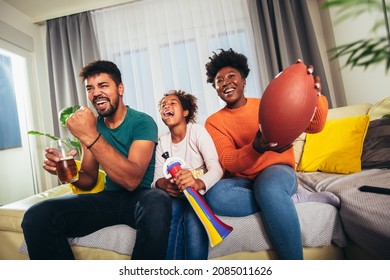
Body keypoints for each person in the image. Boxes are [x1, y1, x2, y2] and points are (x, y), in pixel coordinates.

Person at [21, 60, 172, 260]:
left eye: (103, 86)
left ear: (120, 89)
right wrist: (66, 172)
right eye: (90, 88)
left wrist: (90, 135)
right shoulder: (93, 127)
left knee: (158, 200)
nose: (96, 93)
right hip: (109, 199)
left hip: (140, 197)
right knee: (36, 215)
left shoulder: (143, 122)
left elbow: (132, 180)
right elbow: (89, 179)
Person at [203, 48, 339, 260]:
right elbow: (229, 161)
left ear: (244, 80)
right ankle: (287, 200)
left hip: (276, 171)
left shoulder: (266, 102)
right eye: (219, 81)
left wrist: (316, 95)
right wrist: (255, 147)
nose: (225, 83)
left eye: (231, 76)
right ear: (216, 89)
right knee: (214, 195)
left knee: (268, 187)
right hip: (244, 180)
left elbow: (314, 126)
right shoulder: (214, 121)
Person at [152, 89, 223, 260]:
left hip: (199, 194)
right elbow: (155, 180)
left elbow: (216, 168)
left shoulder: (197, 131)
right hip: (177, 197)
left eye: (172, 103)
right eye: (163, 105)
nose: (166, 106)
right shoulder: (162, 142)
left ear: (185, 112)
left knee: (193, 221)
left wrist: (197, 183)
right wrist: (165, 184)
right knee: (171, 220)